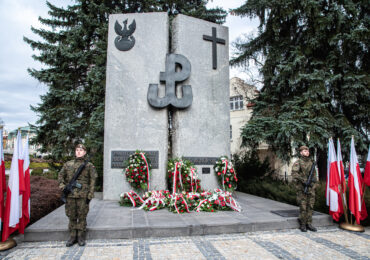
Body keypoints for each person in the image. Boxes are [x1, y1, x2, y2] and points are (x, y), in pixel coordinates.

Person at [58, 144, 97, 246]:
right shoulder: (68, 164)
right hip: (70, 195)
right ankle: (72, 236)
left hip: (83, 195)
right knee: (71, 216)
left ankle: (80, 236)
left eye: (81, 150)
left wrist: (90, 194)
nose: (79, 152)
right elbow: (60, 177)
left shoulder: (89, 165)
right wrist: (64, 187)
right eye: (77, 150)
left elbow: (92, 180)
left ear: (85, 152)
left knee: (82, 216)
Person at [291, 145, 318, 232]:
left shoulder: (311, 163)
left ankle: (309, 223)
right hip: (302, 188)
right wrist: (304, 181)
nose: (307, 152)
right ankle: (303, 224)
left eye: (308, 151)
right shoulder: (298, 162)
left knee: (310, 206)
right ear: (301, 152)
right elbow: (294, 173)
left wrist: (313, 186)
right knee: (303, 207)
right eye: (305, 151)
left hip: (310, 188)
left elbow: (314, 176)